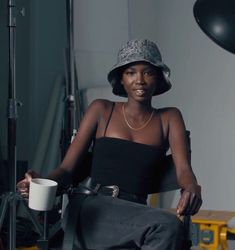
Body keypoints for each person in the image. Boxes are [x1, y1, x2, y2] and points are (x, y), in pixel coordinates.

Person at [17, 39, 202, 250]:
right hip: (92, 208)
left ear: (158, 78)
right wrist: (40, 182)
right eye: (131, 72)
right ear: (121, 79)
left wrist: (192, 187)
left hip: (135, 214)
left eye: (148, 72)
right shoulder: (102, 110)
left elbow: (184, 170)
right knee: (167, 227)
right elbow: (66, 169)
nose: (139, 80)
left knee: (166, 228)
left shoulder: (169, 118)